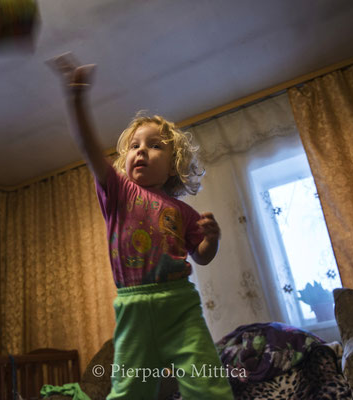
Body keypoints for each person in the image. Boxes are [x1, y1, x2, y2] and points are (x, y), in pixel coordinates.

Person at [49, 53, 234, 400]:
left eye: (154, 145)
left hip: (179, 306)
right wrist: (76, 98)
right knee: (129, 390)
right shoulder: (118, 191)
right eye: (134, 146)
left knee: (208, 385)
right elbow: (88, 149)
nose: (141, 151)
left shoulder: (182, 211)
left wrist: (213, 239)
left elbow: (203, 257)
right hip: (132, 306)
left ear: (173, 166)